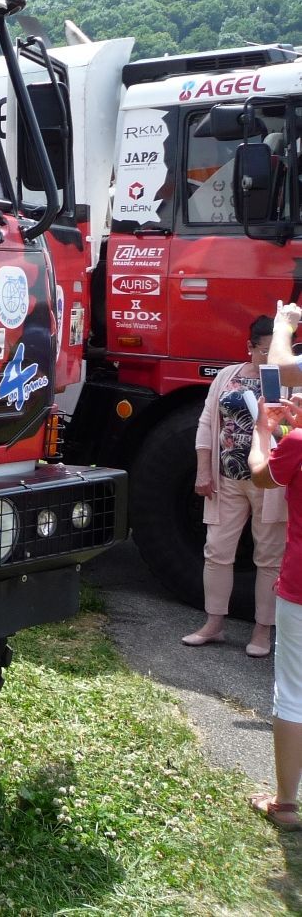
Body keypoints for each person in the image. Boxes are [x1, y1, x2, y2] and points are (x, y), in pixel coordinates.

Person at [184, 315, 286, 656]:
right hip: (226, 477)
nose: (269, 357)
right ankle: (214, 624)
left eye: (276, 351)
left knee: (269, 557)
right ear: (250, 347)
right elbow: (206, 424)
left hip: (269, 482)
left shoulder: (290, 381)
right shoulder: (227, 376)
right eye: (263, 350)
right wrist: (203, 471)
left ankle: (261, 632)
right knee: (216, 550)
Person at [245, 343, 302, 832]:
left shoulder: (298, 440)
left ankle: (286, 804)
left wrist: (265, 431)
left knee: (293, 694)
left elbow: (262, 475)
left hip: (300, 587)